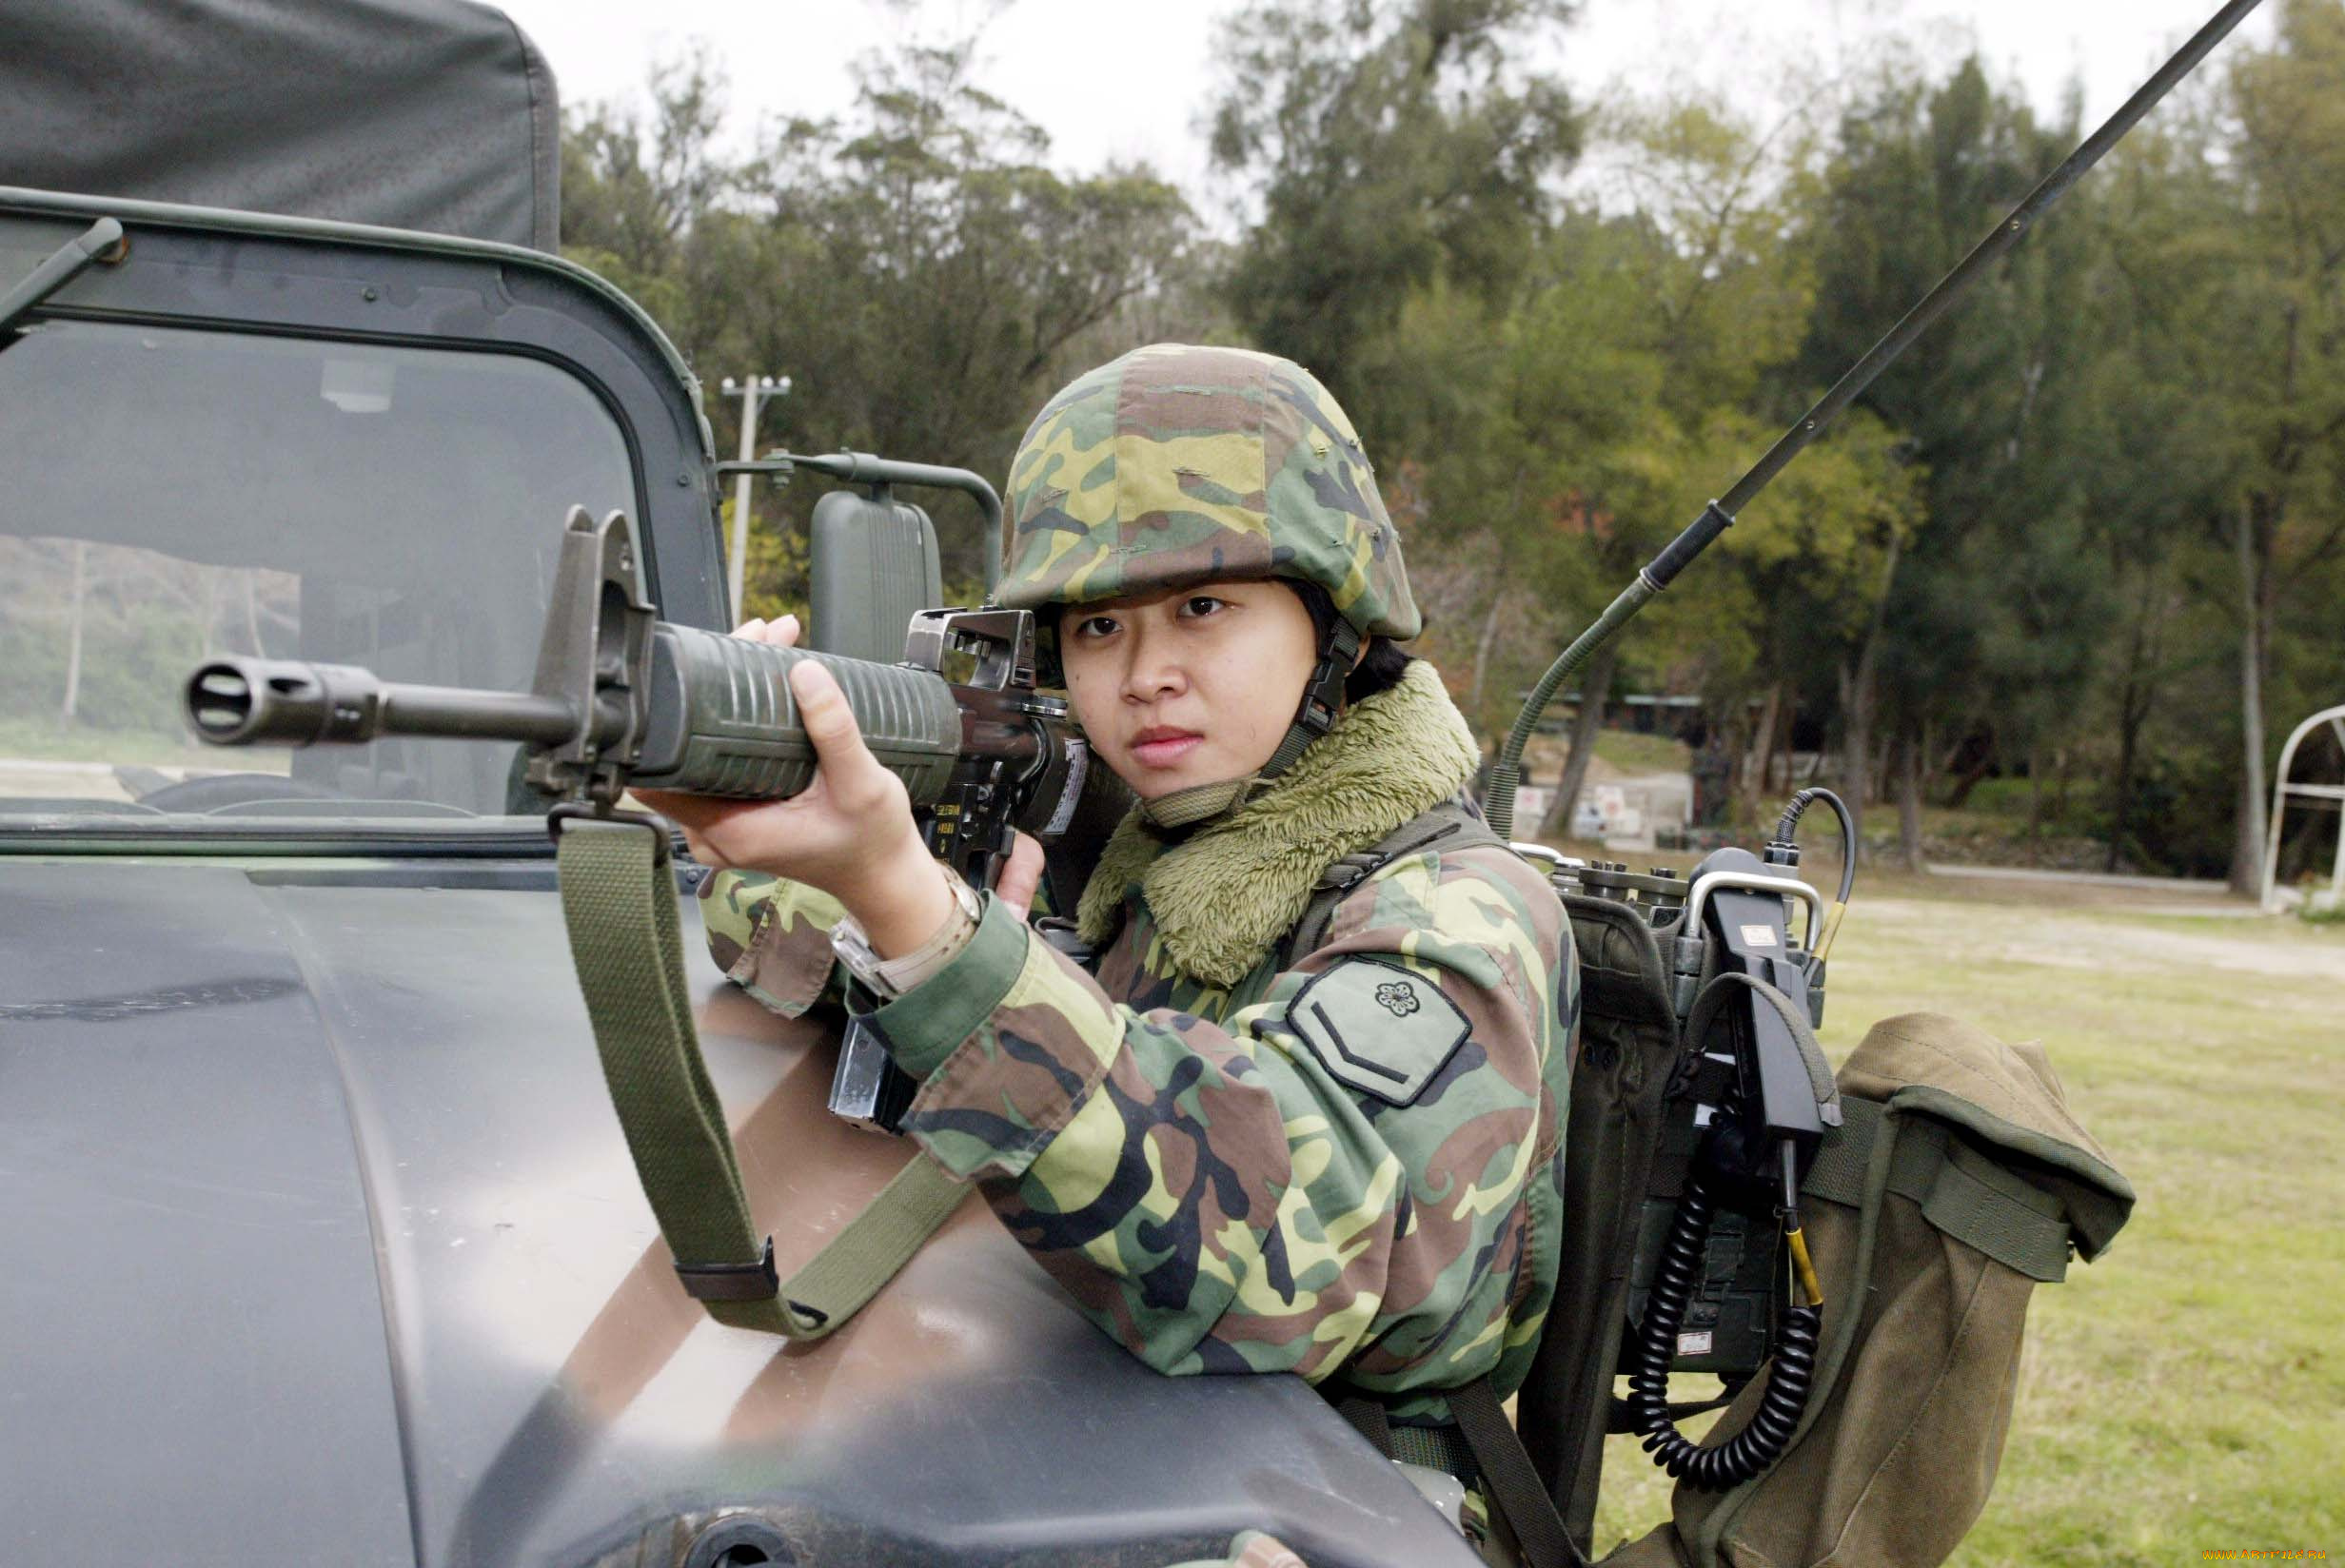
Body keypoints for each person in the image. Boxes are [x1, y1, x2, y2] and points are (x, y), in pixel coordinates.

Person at [655, 343, 1577, 1553]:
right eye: (1098, 627)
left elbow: (1272, 1258)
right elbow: (1000, 1027)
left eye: (1203, 608)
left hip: (1326, 1500)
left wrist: (926, 916)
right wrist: (760, 842)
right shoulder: (1171, 866)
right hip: (1123, 1433)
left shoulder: (1456, 916)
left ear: (1337, 625)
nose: (1145, 677)